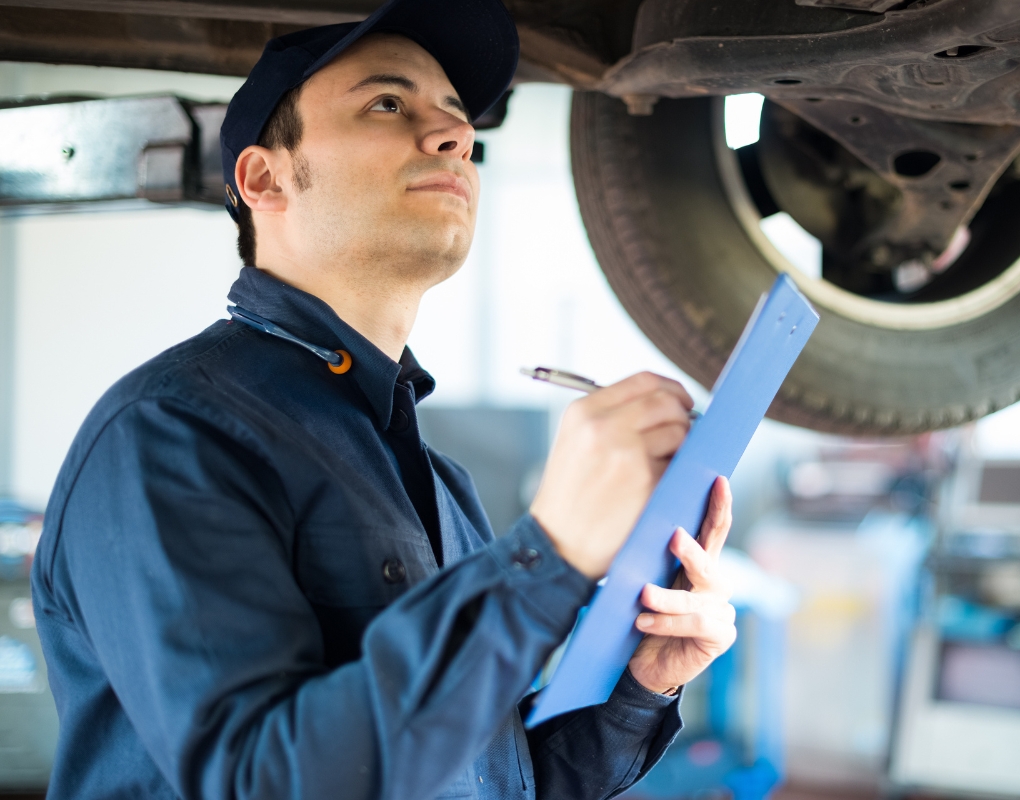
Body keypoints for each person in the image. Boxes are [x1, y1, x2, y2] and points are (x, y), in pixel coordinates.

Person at [31, 0, 738, 797]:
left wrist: (643, 685)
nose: (455, 135)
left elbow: (492, 782)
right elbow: (261, 780)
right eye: (388, 104)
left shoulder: (438, 484)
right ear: (264, 178)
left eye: (457, 118)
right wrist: (548, 556)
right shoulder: (169, 434)